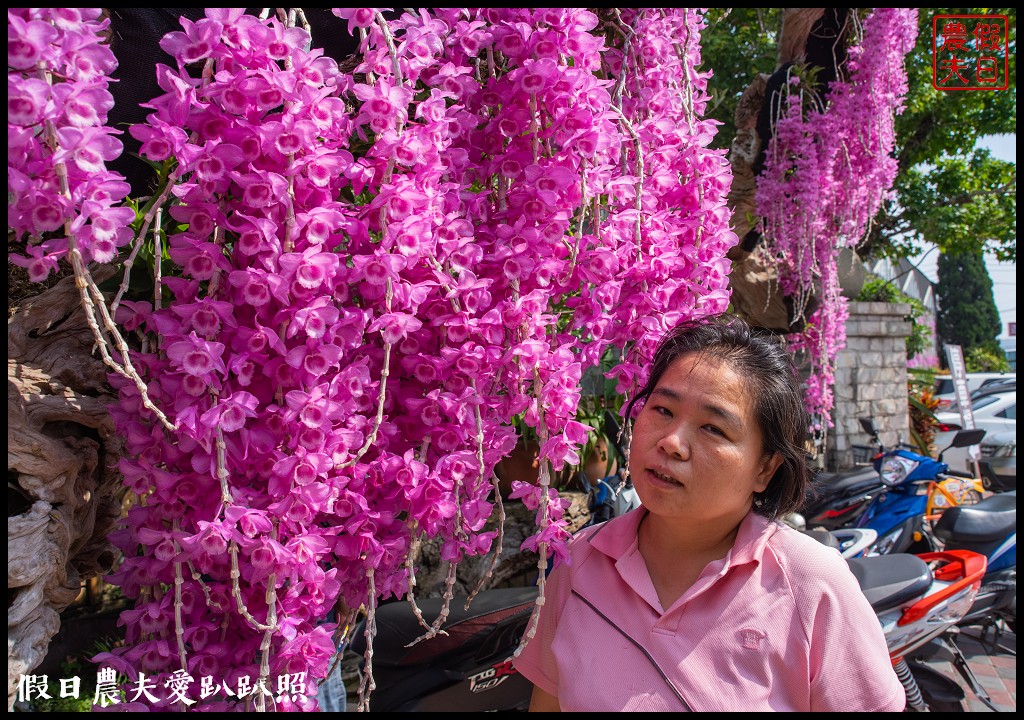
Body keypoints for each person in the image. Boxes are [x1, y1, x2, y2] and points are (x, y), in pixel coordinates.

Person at [512, 314, 905, 712]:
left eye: (713, 429)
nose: (671, 443)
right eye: (663, 410)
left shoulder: (810, 584)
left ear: (765, 469)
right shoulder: (579, 561)